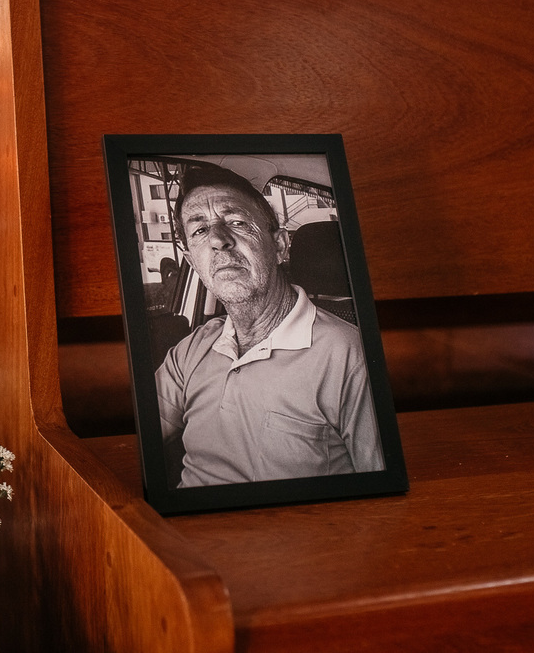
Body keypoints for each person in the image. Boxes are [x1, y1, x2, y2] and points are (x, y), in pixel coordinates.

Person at [156, 163, 383, 488]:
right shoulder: (192, 348)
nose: (218, 240)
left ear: (279, 246)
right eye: (200, 231)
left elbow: (381, 489)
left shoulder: (349, 354)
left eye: (236, 222)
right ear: (193, 262)